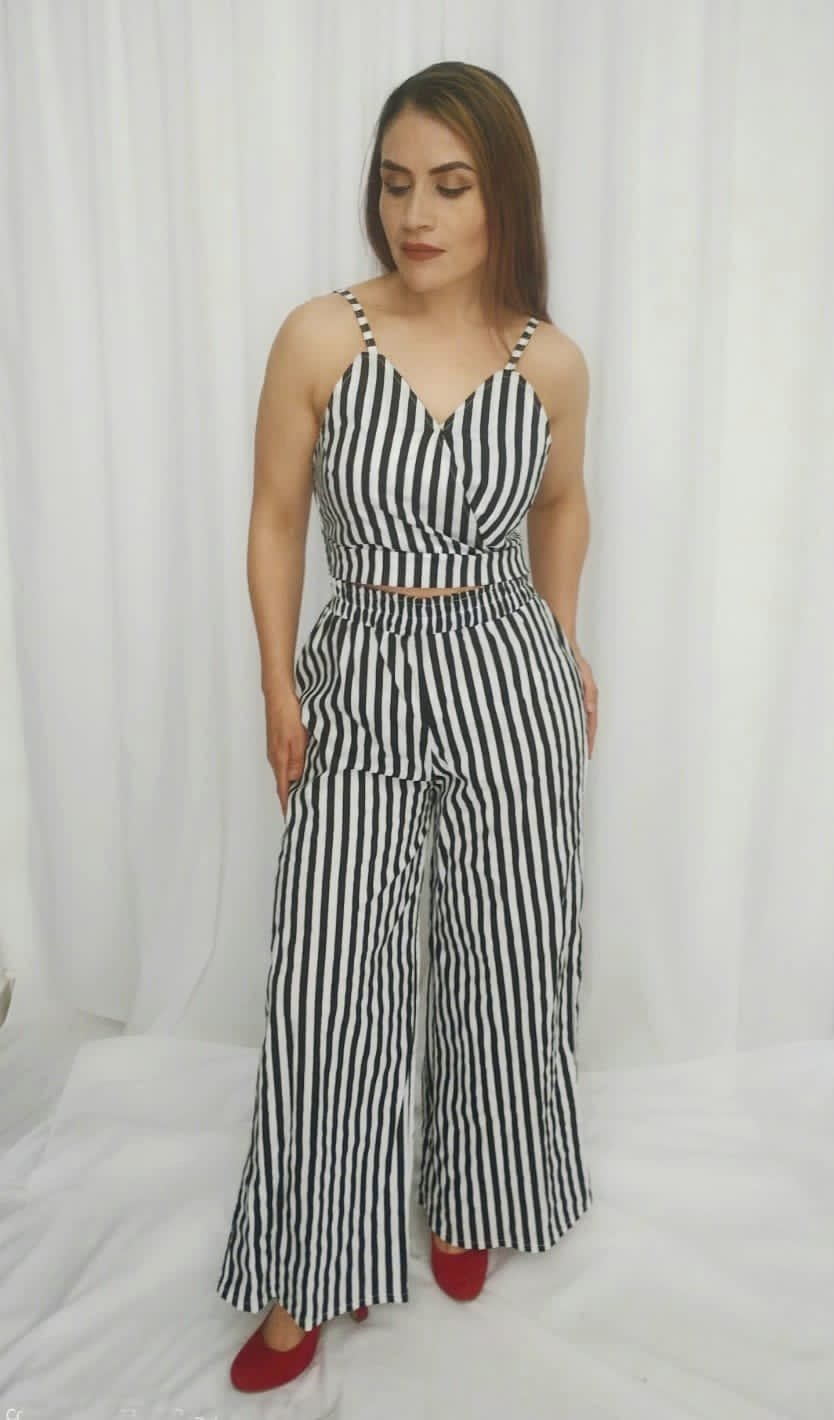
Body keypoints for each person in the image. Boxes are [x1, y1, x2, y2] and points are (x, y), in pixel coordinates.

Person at [216, 59, 600, 1393]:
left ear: (503, 197)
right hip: (365, 665)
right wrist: (278, 686)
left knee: (507, 954)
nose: (415, 216)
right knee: (331, 977)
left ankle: (470, 1193)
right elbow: (276, 517)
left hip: (508, 673)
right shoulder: (321, 338)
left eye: (449, 185)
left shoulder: (550, 361)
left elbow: (562, 504)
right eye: (395, 185)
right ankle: (307, 1270)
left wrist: (563, 637)